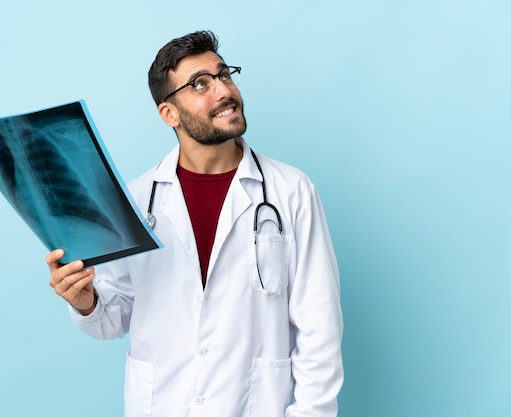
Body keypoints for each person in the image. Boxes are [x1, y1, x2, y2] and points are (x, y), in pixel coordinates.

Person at [47, 30, 343, 417]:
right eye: (200, 84)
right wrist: (85, 302)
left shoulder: (291, 191)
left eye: (225, 75)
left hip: (255, 405)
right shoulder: (137, 200)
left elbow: (319, 326)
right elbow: (112, 319)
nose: (224, 92)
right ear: (169, 113)